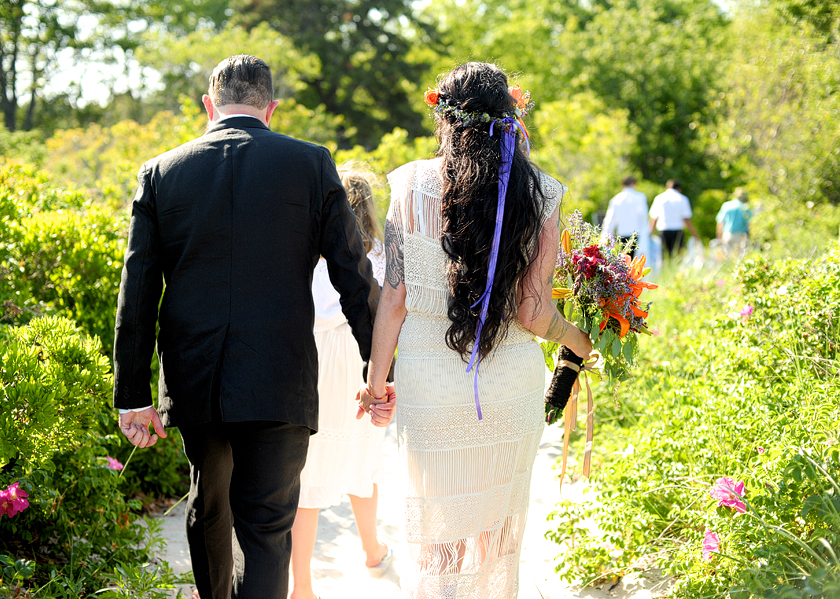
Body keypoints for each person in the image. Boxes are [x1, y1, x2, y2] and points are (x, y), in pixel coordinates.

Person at [111, 55, 382, 599]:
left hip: (196, 379)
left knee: (209, 507)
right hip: (280, 376)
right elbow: (355, 276)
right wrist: (380, 371)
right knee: (267, 526)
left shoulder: (163, 172)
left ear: (209, 106)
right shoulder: (311, 164)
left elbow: (137, 290)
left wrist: (132, 395)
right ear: (271, 108)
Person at [359, 62, 592, 598]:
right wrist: (581, 343)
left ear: (443, 113)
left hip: (428, 388)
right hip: (510, 386)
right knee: (497, 534)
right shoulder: (542, 192)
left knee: (438, 531)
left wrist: (376, 390)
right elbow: (534, 313)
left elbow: (393, 299)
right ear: (510, 114)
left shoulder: (408, 182)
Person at [289, 165, 392, 599]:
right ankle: (372, 552)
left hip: (318, 363)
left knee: (308, 478)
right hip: (362, 357)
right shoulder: (381, 254)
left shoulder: (308, 251)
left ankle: (304, 586)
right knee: (362, 463)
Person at [649, 179, 701, 259]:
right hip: (678, 232)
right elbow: (687, 220)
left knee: (664, 257)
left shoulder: (659, 198)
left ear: (667, 187)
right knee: (678, 257)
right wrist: (695, 234)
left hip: (663, 232)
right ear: (679, 189)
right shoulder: (683, 199)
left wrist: (649, 235)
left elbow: (654, 219)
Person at [601, 175, 648, 258]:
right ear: (634, 184)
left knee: (624, 261)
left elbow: (610, 220)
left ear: (622, 185)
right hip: (636, 235)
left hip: (622, 235)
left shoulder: (616, 199)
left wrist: (605, 236)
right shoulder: (640, 197)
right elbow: (644, 217)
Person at [716, 187, 751, 254]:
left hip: (727, 234)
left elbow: (720, 223)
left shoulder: (726, 205)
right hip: (741, 235)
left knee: (727, 257)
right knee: (740, 257)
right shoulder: (746, 207)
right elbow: (749, 224)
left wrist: (719, 238)